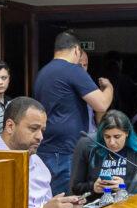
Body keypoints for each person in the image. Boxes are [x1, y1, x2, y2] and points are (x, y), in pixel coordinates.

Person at [34, 33, 113, 196]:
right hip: (66, 150)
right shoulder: (72, 70)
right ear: (76, 50)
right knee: (67, 203)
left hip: (46, 147)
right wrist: (109, 87)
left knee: (50, 200)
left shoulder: (43, 73)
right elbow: (101, 104)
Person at [0, 97, 84, 208]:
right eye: (33, 129)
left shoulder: (38, 162)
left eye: (42, 130)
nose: (40, 137)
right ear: (10, 126)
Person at [70, 110, 137, 198]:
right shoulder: (89, 148)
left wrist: (124, 185)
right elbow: (75, 188)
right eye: (107, 137)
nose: (112, 142)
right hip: (97, 206)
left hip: (130, 205)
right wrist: (93, 187)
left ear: (127, 133)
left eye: (117, 137)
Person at [78, 50, 99, 134]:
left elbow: (100, 108)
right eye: (79, 65)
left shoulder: (89, 82)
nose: (82, 68)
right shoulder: (65, 84)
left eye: (85, 65)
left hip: (90, 135)